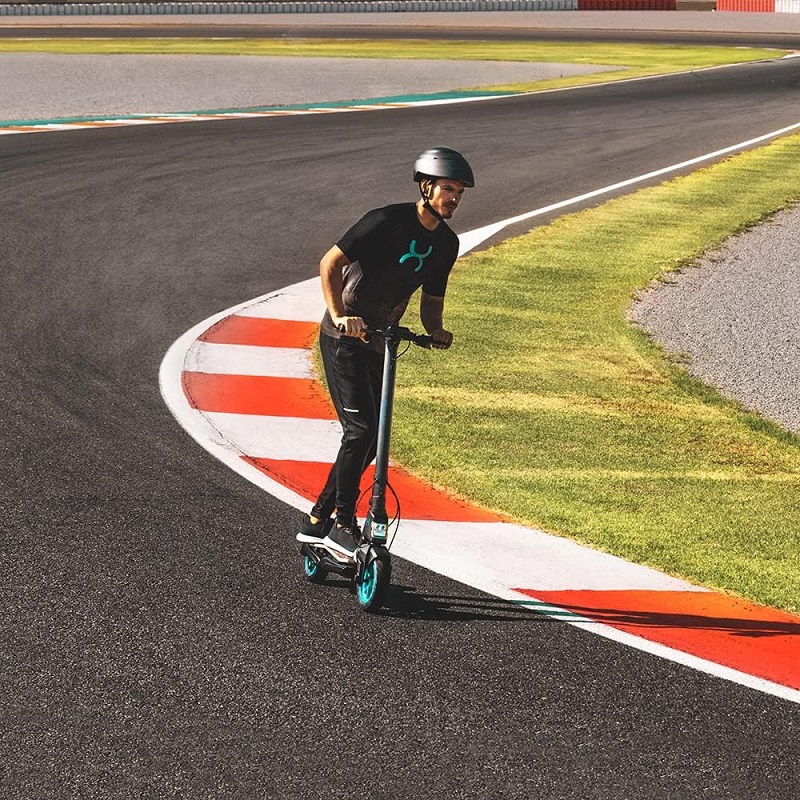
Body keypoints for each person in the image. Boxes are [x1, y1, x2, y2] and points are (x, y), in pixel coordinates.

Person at [295, 146, 475, 557]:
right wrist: (340, 315)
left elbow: (432, 299)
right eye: (448, 189)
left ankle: (317, 520)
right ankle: (343, 525)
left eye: (460, 193)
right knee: (360, 431)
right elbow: (329, 263)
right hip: (344, 337)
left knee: (372, 439)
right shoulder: (384, 221)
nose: (454, 198)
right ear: (426, 186)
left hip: (381, 339)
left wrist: (435, 330)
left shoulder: (447, 244)